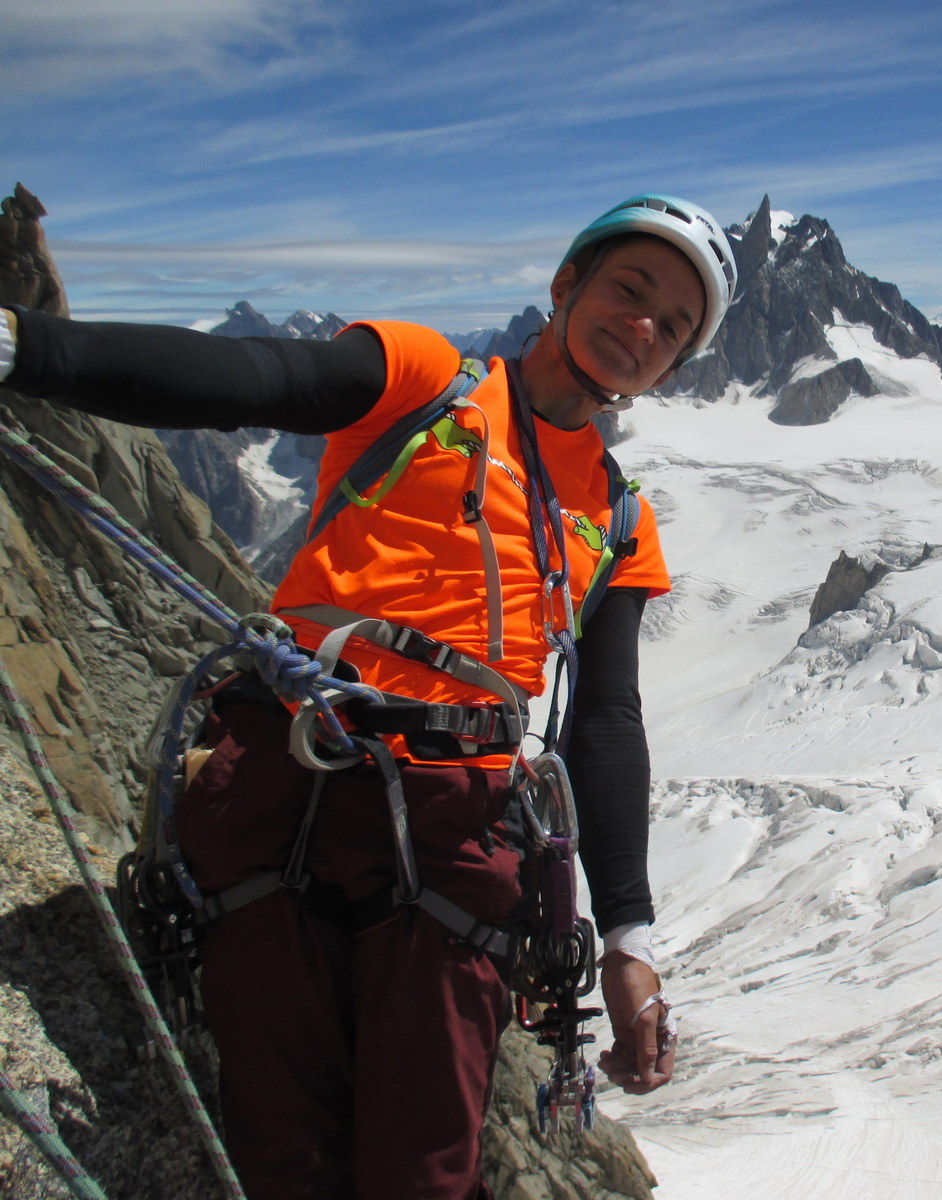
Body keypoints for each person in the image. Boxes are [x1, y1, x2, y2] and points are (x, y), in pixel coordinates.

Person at [0, 193, 737, 1200]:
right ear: (565, 285)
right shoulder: (427, 381)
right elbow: (255, 379)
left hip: (455, 823)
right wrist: (20, 347)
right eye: (630, 288)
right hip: (291, 769)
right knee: (281, 1152)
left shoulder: (617, 513)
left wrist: (629, 940)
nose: (643, 327)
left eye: (676, 326)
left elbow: (607, 722)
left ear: (679, 363)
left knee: (421, 1172)